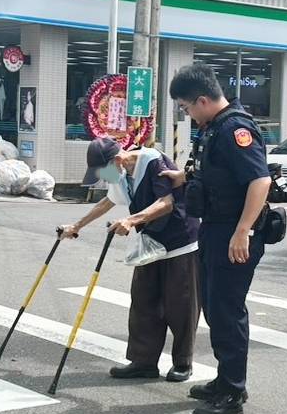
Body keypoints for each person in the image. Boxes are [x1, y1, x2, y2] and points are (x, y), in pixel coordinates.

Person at [165, 64, 271, 414]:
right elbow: (213, 174)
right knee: (213, 307)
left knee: (227, 310)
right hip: (214, 228)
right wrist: (181, 176)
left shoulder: (235, 130)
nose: (188, 115)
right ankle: (225, 379)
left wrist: (242, 231)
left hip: (233, 233)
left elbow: (260, 181)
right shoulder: (213, 128)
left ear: (202, 100)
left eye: (186, 107)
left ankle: (233, 391)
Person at [59, 137, 201, 382]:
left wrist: (131, 220)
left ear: (117, 160)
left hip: (180, 241)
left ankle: (182, 363)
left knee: (181, 304)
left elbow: (166, 202)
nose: (103, 178)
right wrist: (77, 226)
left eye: (102, 172)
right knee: (143, 302)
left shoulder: (153, 162)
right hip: (151, 242)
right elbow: (108, 201)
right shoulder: (121, 172)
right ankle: (143, 362)